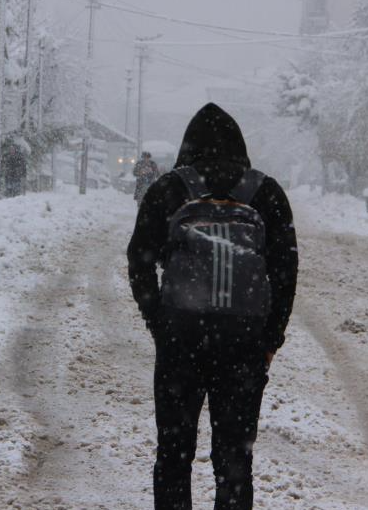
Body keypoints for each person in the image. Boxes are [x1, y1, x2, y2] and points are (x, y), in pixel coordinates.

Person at [127, 103, 298, 509]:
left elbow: (139, 260)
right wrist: (270, 338)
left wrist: (160, 323)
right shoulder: (266, 192)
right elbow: (286, 271)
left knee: (173, 453)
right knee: (235, 459)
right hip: (244, 345)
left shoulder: (168, 189)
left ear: (188, 147)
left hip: (181, 340)